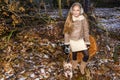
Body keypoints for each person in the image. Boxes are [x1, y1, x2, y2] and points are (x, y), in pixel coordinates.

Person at [63, 2, 90, 75]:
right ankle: (74, 65)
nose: (75, 12)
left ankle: (82, 66)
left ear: (80, 11)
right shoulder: (69, 19)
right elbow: (66, 32)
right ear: (71, 10)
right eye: (74, 10)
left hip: (80, 40)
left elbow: (86, 30)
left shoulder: (83, 19)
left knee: (86, 55)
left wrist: (87, 41)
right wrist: (66, 44)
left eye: (77, 10)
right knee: (74, 54)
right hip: (72, 40)